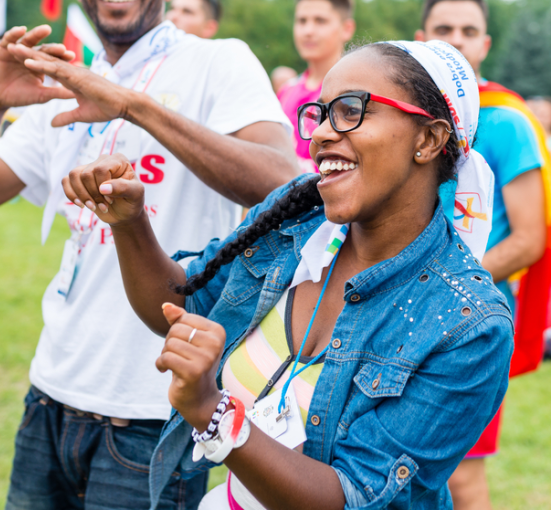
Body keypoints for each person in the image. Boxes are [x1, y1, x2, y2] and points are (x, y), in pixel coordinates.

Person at [0, 0, 298, 507]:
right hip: (51, 394)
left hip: (155, 411)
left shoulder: (217, 62)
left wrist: (132, 105)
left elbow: (284, 182)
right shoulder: (66, 86)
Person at [60, 39, 512, 510]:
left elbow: (351, 496)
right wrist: (129, 222)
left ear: (428, 140)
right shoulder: (299, 219)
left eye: (351, 110)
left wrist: (213, 413)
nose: (321, 134)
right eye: (321, 113)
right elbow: (182, 304)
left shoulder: (470, 326)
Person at [416, 0, 550, 510]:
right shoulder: (405, 117)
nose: (457, 40)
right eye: (443, 30)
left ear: (485, 43)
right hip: (395, 313)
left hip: (471, 322)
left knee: (462, 480)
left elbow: (529, 239)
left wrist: (442, 284)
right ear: (422, 39)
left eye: (468, 31)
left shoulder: (507, 122)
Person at [278, 0, 356, 173]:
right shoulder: (286, 91)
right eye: (302, 21)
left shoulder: (355, 95)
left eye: (320, 21)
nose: (308, 31)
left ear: (347, 29)